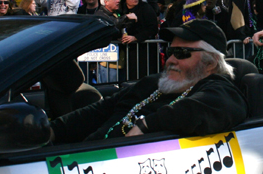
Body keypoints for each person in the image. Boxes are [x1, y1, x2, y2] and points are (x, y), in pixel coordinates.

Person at [50, 20, 247, 141]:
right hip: (85, 161)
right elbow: (99, 111)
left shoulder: (218, 88)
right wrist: (50, 132)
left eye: (181, 53)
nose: (170, 60)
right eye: (170, 51)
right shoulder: (153, 83)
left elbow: (217, 107)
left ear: (210, 63)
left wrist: (146, 125)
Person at [119, 0, 160, 80]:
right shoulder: (122, 11)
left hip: (146, 50)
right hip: (131, 51)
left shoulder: (146, 8)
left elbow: (153, 28)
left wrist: (136, 37)